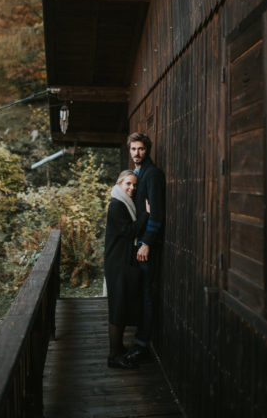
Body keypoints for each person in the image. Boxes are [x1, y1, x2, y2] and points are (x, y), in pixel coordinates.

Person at [124, 132, 166, 363]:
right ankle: (137, 339)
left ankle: (142, 346)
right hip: (135, 242)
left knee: (147, 295)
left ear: (147, 150)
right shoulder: (137, 174)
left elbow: (157, 213)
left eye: (140, 149)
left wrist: (147, 242)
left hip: (145, 246)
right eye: (133, 149)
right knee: (139, 294)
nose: (136, 153)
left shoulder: (152, 174)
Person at [104, 170, 148, 369]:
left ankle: (119, 348)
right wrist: (146, 215)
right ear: (119, 184)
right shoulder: (116, 206)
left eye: (135, 185)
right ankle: (113, 355)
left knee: (121, 304)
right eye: (128, 184)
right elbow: (129, 231)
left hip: (121, 261)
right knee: (117, 306)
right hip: (117, 263)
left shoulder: (123, 204)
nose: (132, 188)